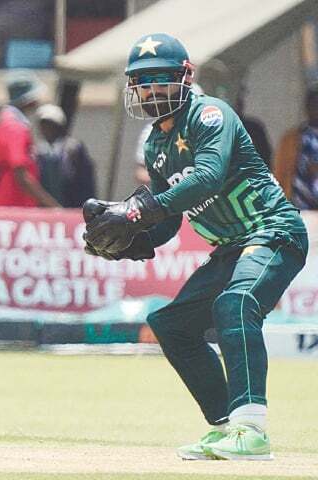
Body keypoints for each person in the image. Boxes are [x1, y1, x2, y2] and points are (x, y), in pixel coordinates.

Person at [83, 33, 307, 461]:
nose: (151, 91)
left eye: (161, 79)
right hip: (230, 247)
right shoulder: (155, 144)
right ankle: (227, 427)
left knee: (235, 304)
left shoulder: (209, 114)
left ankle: (251, 431)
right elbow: (168, 222)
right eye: (143, 82)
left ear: (185, 78)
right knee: (171, 324)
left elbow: (206, 178)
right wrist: (130, 243)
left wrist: (131, 214)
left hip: (273, 231)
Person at [0, 70, 59, 208]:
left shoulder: (9, 122)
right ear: (27, 99)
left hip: (13, 204)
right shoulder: (14, 127)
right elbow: (21, 174)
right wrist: (52, 206)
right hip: (12, 204)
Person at [35, 103, 95, 208]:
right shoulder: (37, 151)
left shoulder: (74, 149)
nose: (47, 128)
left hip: (70, 207)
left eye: (51, 124)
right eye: (43, 124)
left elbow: (85, 184)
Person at [273, 83, 318, 209]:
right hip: (298, 208)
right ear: (307, 107)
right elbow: (280, 174)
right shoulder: (291, 139)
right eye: (314, 104)